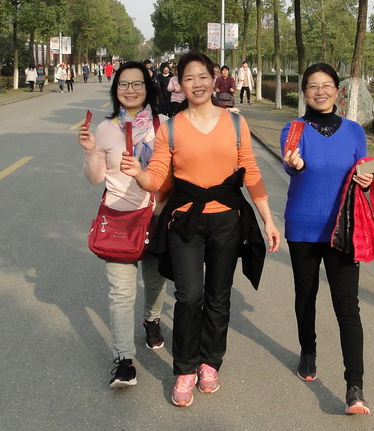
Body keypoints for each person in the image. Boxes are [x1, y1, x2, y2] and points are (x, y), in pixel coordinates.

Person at [120, 51, 280, 407]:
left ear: (214, 79)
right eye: (188, 78)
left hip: (227, 221)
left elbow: (251, 172)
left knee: (218, 296)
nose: (197, 83)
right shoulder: (171, 127)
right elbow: (158, 176)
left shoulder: (235, 124)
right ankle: (184, 369)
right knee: (189, 295)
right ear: (179, 83)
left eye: (203, 76)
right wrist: (140, 175)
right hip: (185, 221)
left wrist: (268, 219)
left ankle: (210, 363)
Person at [280, 63, 374, 415]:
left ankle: (355, 386)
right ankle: (308, 350)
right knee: (306, 295)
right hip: (303, 228)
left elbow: (363, 170)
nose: (320, 91)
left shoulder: (354, 131)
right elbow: (291, 163)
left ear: (338, 90)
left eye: (326, 85)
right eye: (312, 86)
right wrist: (295, 164)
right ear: (304, 92)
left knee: (347, 306)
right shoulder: (294, 128)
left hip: (343, 230)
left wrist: (367, 179)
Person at [77, 61, 169, 389]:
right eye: (123, 84)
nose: (130, 90)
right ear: (116, 90)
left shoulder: (164, 125)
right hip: (120, 218)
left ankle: (151, 320)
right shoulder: (106, 129)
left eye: (137, 84)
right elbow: (95, 178)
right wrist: (91, 151)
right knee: (121, 293)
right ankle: (124, 360)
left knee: (155, 281)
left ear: (148, 88)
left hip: (156, 218)